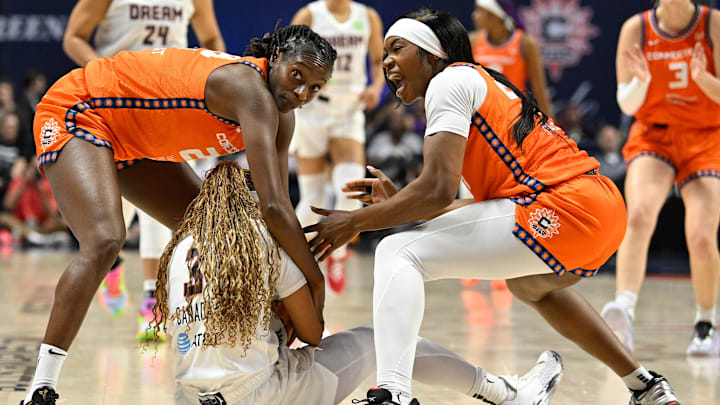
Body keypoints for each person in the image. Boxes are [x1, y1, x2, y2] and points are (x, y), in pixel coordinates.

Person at [305, 9, 682, 405]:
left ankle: (393, 394)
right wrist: (400, 199)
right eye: (383, 55)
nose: (386, 63)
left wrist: (356, 220)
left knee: (395, 251)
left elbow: (435, 191)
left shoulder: (448, 82)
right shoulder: (480, 87)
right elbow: (472, 213)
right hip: (598, 210)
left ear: (433, 55)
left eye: (397, 48)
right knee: (529, 285)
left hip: (562, 206)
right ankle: (645, 385)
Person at [20, 25, 334, 405]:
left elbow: (277, 207)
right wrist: (313, 281)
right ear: (277, 58)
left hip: (131, 139)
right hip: (78, 108)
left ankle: (245, 357)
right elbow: (273, 207)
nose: (301, 93)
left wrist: (291, 283)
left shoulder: (283, 115)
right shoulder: (250, 90)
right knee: (105, 239)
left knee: (217, 232)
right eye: (297, 75)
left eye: (315, 88)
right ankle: (40, 387)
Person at [154, 160, 564, 405]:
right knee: (384, 341)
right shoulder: (260, 241)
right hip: (262, 394)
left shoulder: (176, 252)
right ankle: (507, 395)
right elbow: (312, 334)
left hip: (188, 397)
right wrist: (308, 287)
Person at [62, 0, 226, 340]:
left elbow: (212, 41)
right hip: (112, 103)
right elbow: (73, 37)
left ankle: (153, 298)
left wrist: (208, 82)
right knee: (107, 214)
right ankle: (115, 264)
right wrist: (109, 73)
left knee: (161, 210)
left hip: (169, 103)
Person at [601, 0, 720, 357]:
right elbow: (627, 104)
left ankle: (705, 323)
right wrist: (642, 81)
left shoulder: (711, 24)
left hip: (705, 135)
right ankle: (624, 310)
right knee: (637, 214)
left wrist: (703, 79)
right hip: (655, 134)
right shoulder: (636, 28)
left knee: (700, 236)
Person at [289, 0, 384, 294]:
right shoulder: (309, 14)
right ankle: (289, 258)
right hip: (314, 108)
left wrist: (377, 87)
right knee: (312, 199)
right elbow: (287, 60)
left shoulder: (367, 16)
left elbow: (378, 61)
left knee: (350, 191)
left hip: (349, 108)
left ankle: (338, 252)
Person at [469, 0, 552, 116]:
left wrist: (552, 129)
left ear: (494, 15)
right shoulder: (473, 41)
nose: (474, 16)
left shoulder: (526, 44)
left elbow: (539, 91)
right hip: (481, 118)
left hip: (514, 117)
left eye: (479, 11)